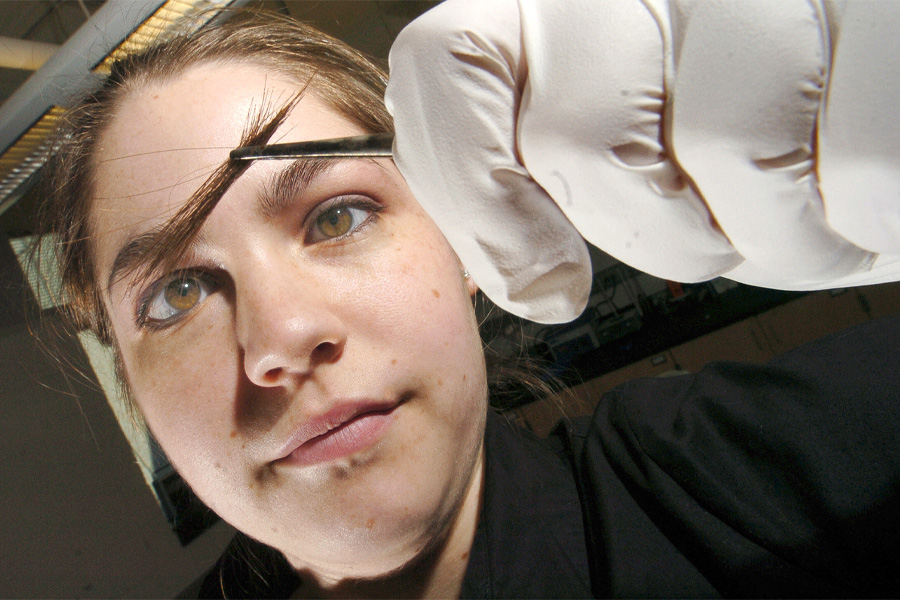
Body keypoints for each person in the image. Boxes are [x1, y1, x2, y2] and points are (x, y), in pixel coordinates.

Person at [35, 7, 899, 599]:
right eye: (177, 294)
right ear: (126, 376)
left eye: (338, 215)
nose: (284, 338)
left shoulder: (754, 487)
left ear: (464, 236)